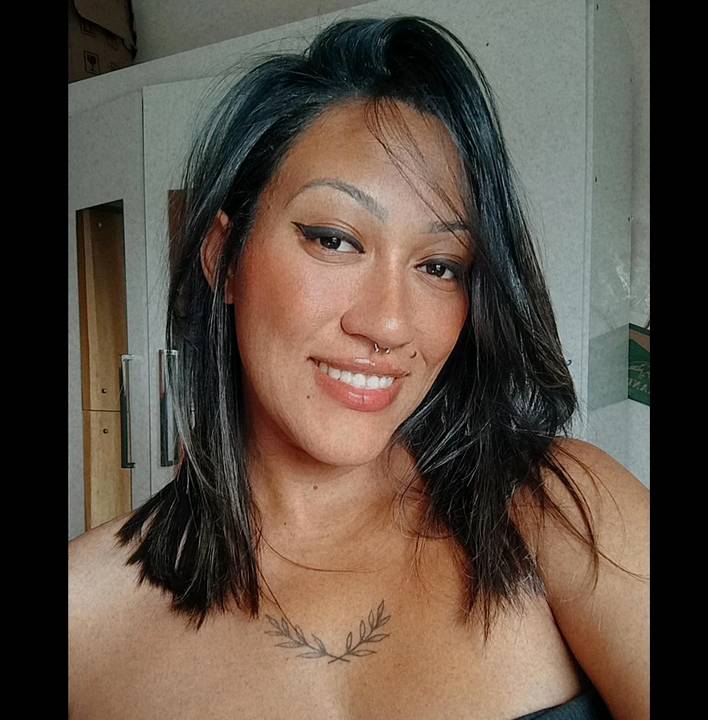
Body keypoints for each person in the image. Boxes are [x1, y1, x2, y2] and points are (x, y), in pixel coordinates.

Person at [69, 15, 649, 720]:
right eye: (335, 240)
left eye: (440, 265)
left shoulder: (566, 512)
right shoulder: (81, 616)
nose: (389, 324)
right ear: (224, 258)